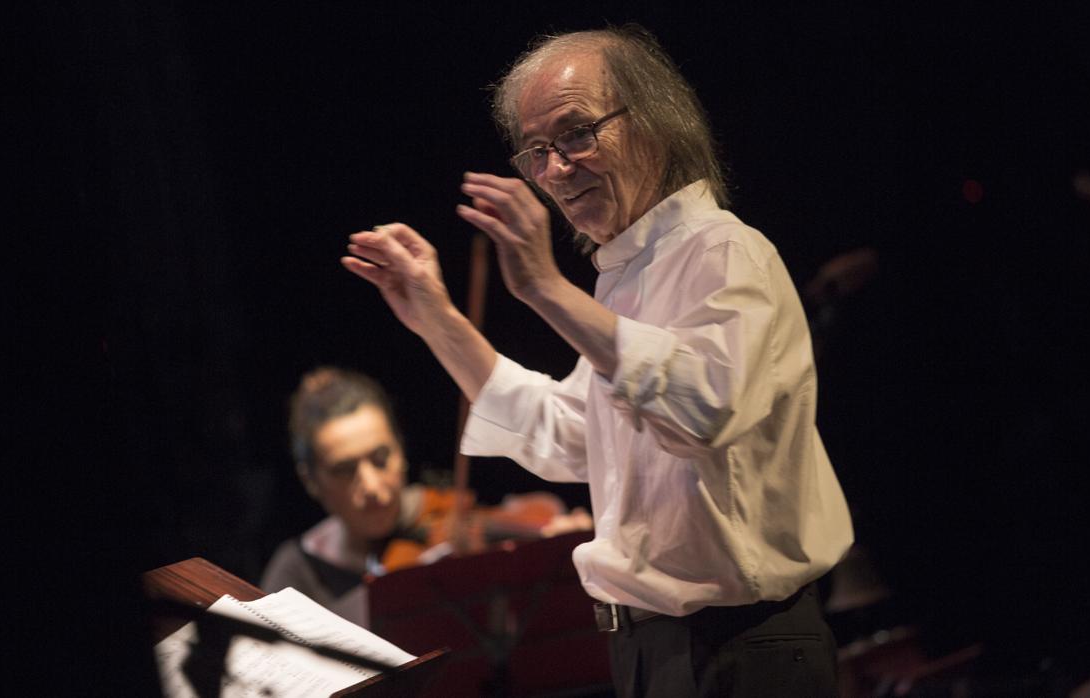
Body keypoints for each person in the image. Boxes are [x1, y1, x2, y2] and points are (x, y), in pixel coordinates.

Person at [342, 25, 853, 696]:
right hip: (652, 649)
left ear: (654, 123)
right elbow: (569, 434)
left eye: (577, 133)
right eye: (537, 152)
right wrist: (436, 319)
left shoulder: (724, 253)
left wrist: (543, 288)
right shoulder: (627, 278)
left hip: (740, 649)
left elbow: (705, 409)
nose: (554, 171)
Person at [260, 366, 585, 627]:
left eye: (380, 458)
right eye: (345, 470)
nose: (372, 487)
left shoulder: (447, 510)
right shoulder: (295, 572)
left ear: (401, 451)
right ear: (312, 481)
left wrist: (553, 543)